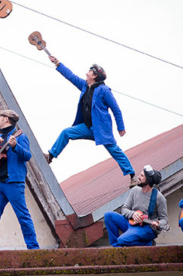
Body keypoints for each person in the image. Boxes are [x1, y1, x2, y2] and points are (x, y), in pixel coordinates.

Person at [44, 55, 138, 188]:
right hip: (87, 127)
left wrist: (120, 127)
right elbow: (71, 76)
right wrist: (57, 63)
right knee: (66, 132)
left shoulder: (104, 90)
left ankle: (132, 176)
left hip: (101, 129)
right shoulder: (85, 86)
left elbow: (116, 109)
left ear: (94, 75)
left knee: (115, 151)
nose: (86, 73)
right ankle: (50, 156)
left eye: (89, 71)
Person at [0, 110, 39, 251]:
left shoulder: (20, 136)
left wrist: (15, 146)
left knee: (22, 216)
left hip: (14, 183)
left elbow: (27, 156)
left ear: (6, 119)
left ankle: (33, 248)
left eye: (0, 117)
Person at [104, 165, 168, 247]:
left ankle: (148, 243)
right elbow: (124, 209)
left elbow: (164, 219)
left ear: (148, 180)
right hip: (131, 222)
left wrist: (158, 223)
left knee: (122, 240)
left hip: (146, 228)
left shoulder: (159, 197)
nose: (138, 177)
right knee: (108, 216)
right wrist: (133, 214)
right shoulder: (135, 190)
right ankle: (117, 247)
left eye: (142, 176)